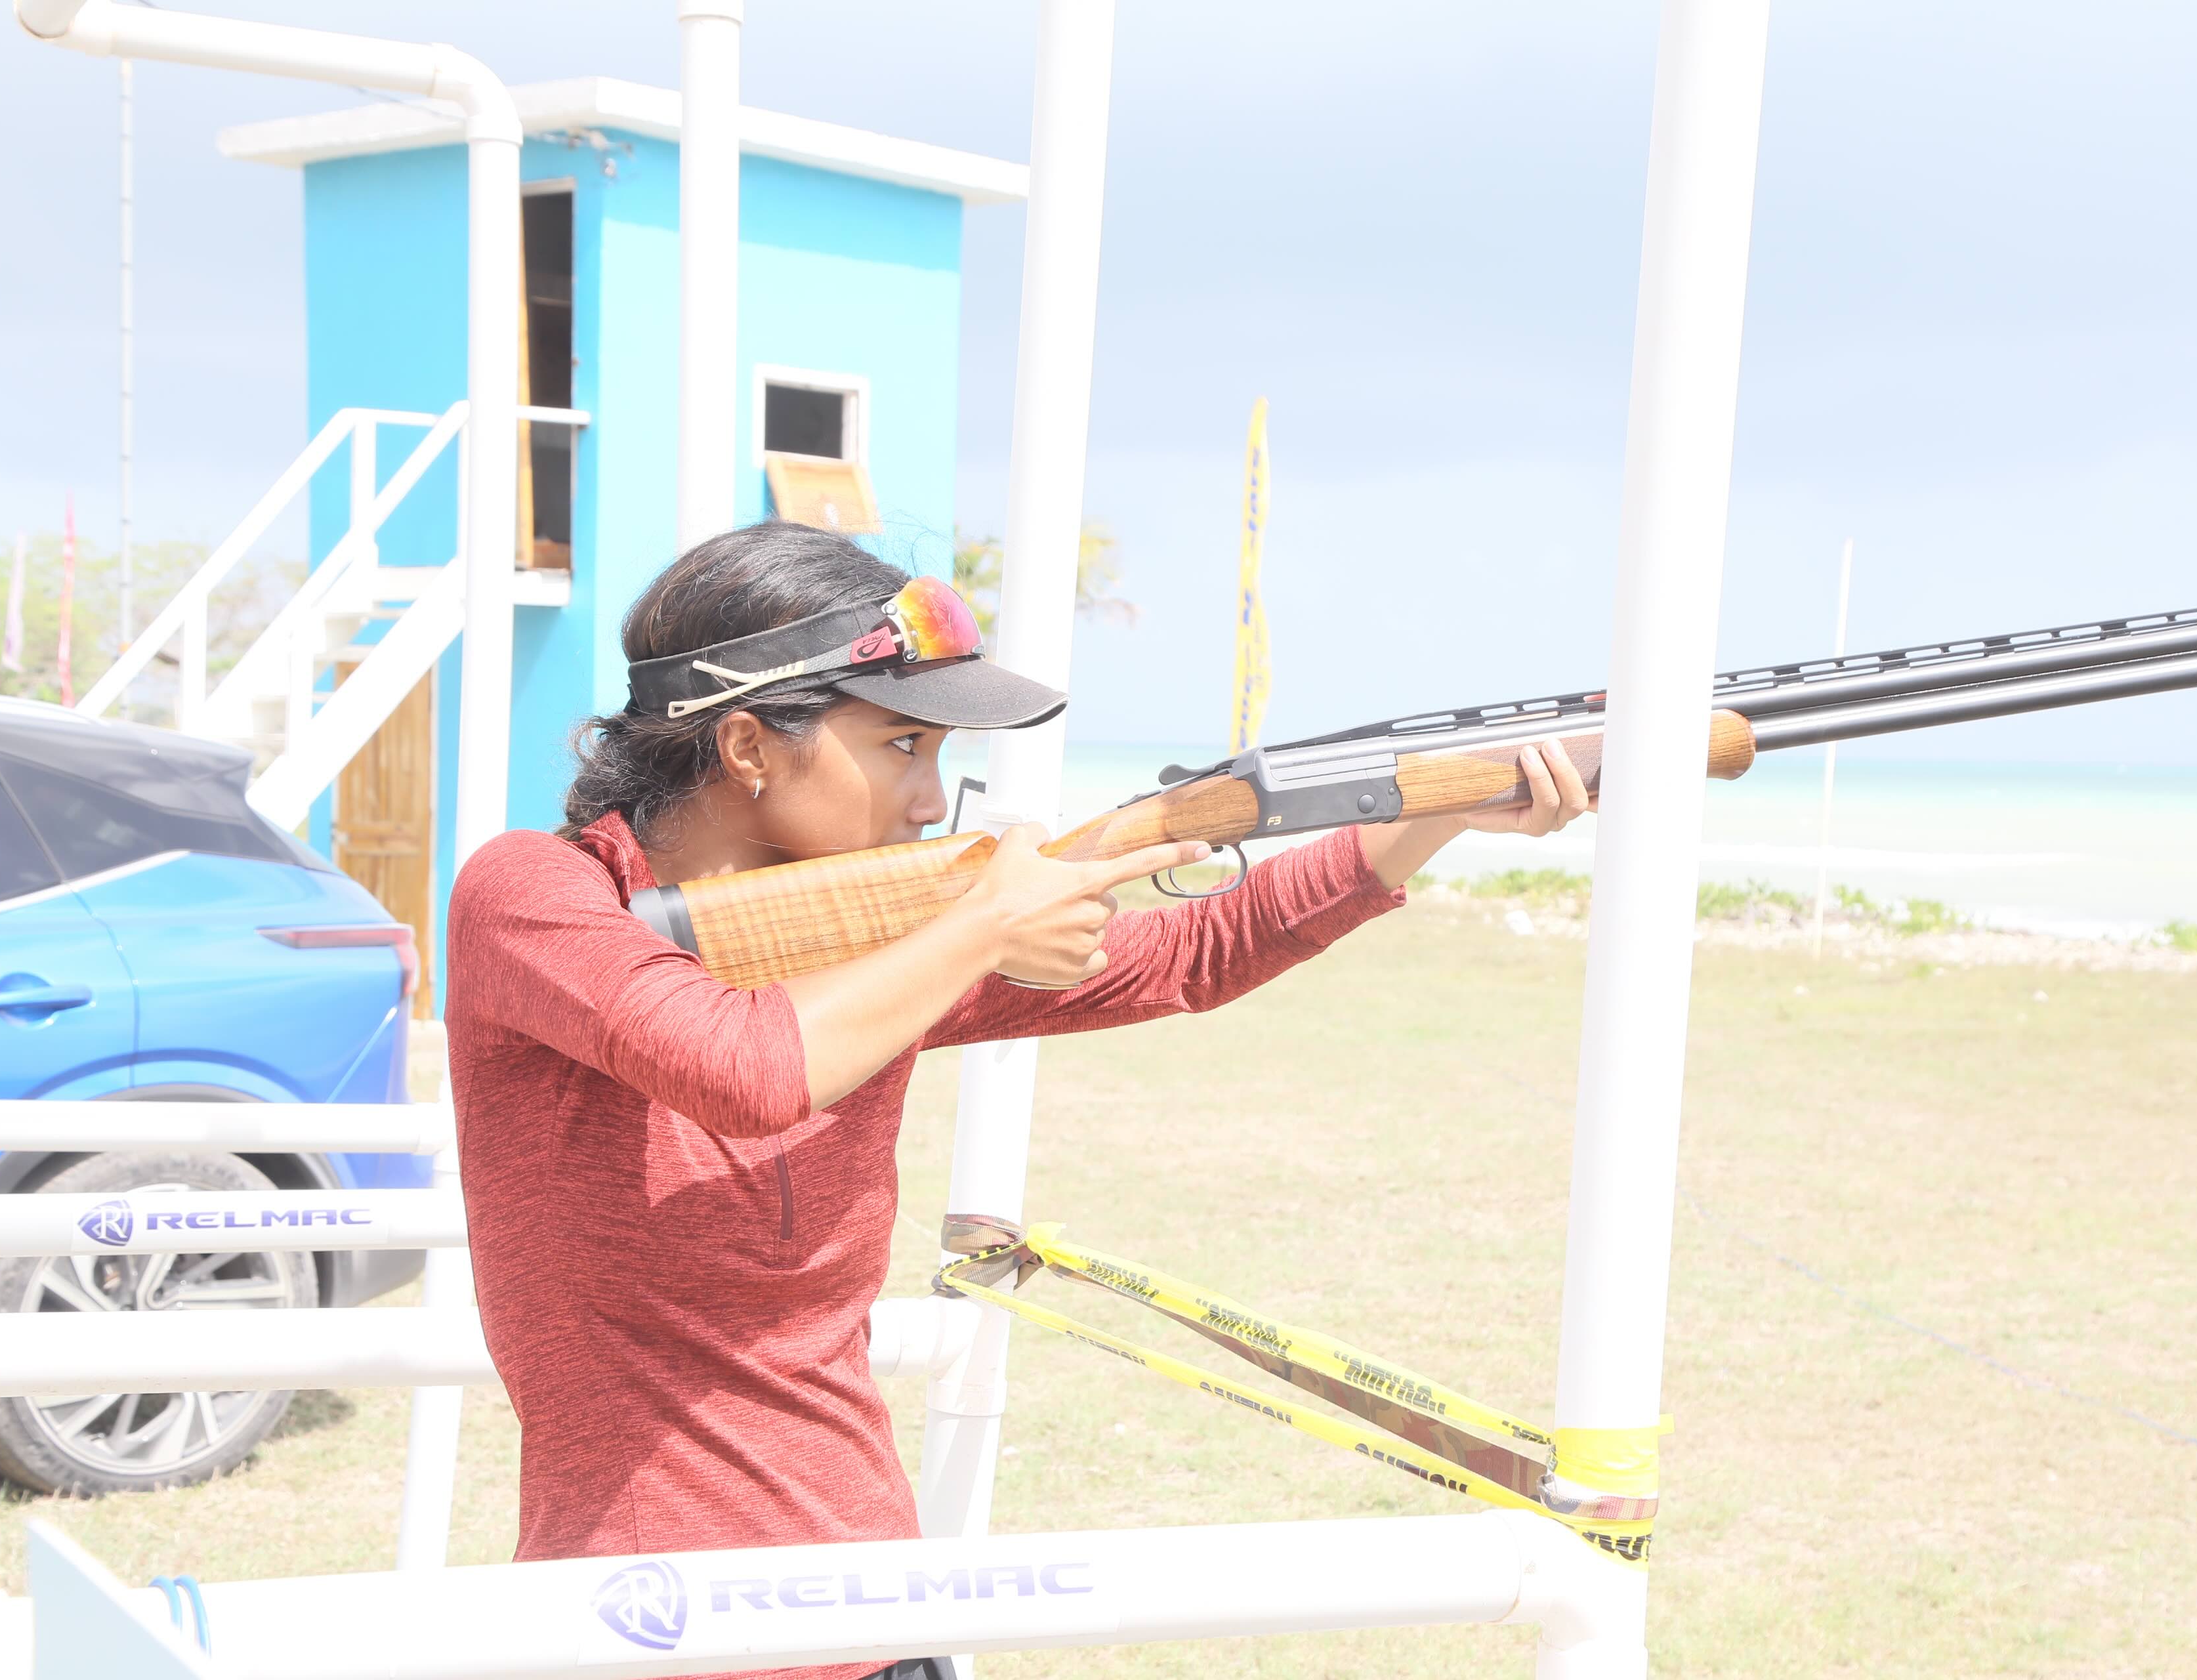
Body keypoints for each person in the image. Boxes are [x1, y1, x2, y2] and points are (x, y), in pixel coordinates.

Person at [444, 522, 1591, 1680]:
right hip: (644, 1628)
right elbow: (743, 1069)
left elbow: (1194, 953)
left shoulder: (894, 940)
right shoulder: (532, 894)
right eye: (903, 745)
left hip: (881, 1617)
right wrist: (986, 923)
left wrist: (1435, 810)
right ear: (748, 745)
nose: (929, 798)